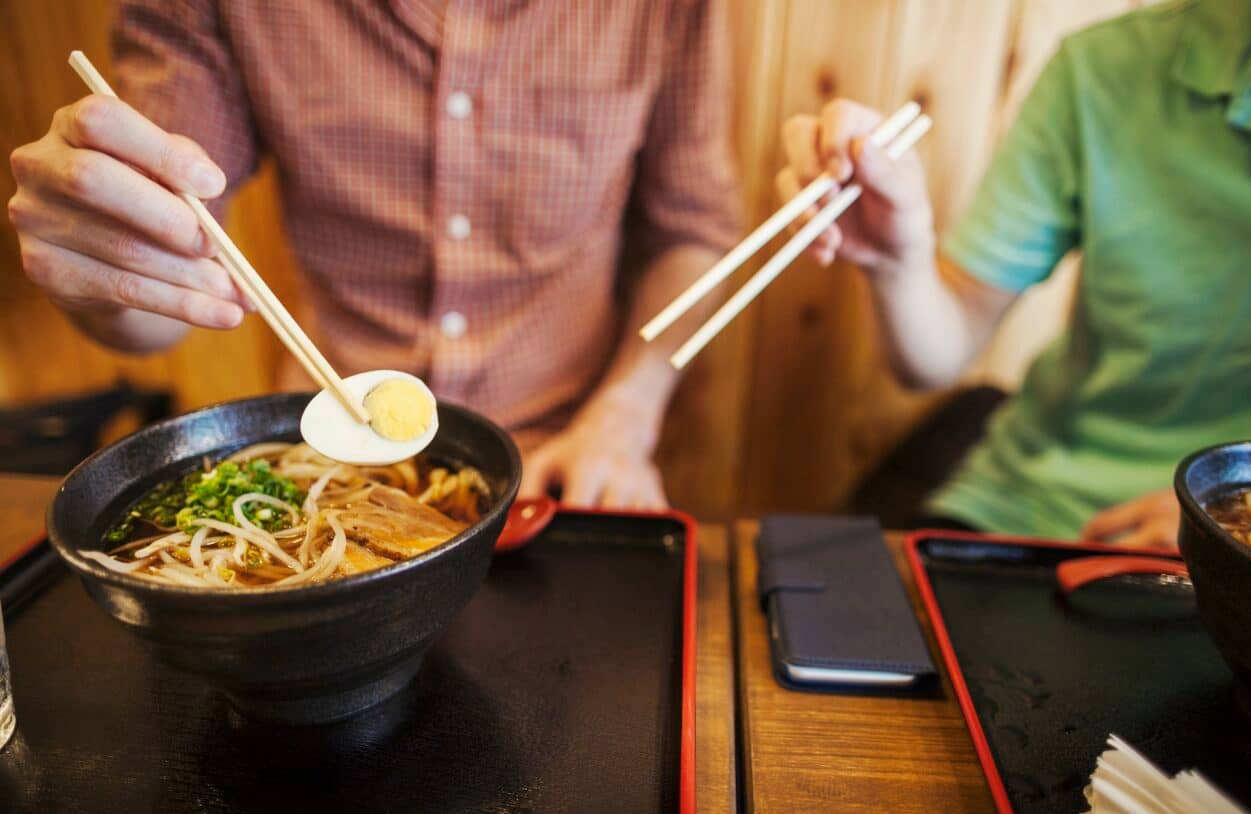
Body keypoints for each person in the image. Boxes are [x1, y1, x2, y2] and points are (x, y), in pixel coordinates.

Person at [7, 0, 739, 510]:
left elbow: (694, 230)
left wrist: (624, 418)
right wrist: (100, 258)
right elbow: (165, 260)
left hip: (563, 464)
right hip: (319, 457)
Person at [775, 0, 1251, 548]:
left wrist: (1227, 516)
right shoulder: (1111, 66)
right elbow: (942, 344)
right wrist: (898, 261)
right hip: (1030, 504)